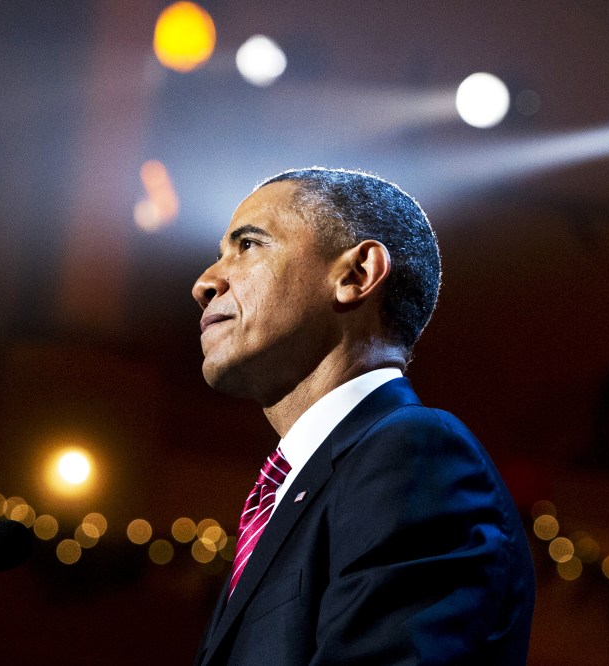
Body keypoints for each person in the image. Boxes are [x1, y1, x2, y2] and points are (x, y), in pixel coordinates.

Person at [191, 167, 535, 665]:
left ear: (357, 275)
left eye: (247, 245)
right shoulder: (301, 486)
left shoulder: (414, 454)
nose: (205, 283)